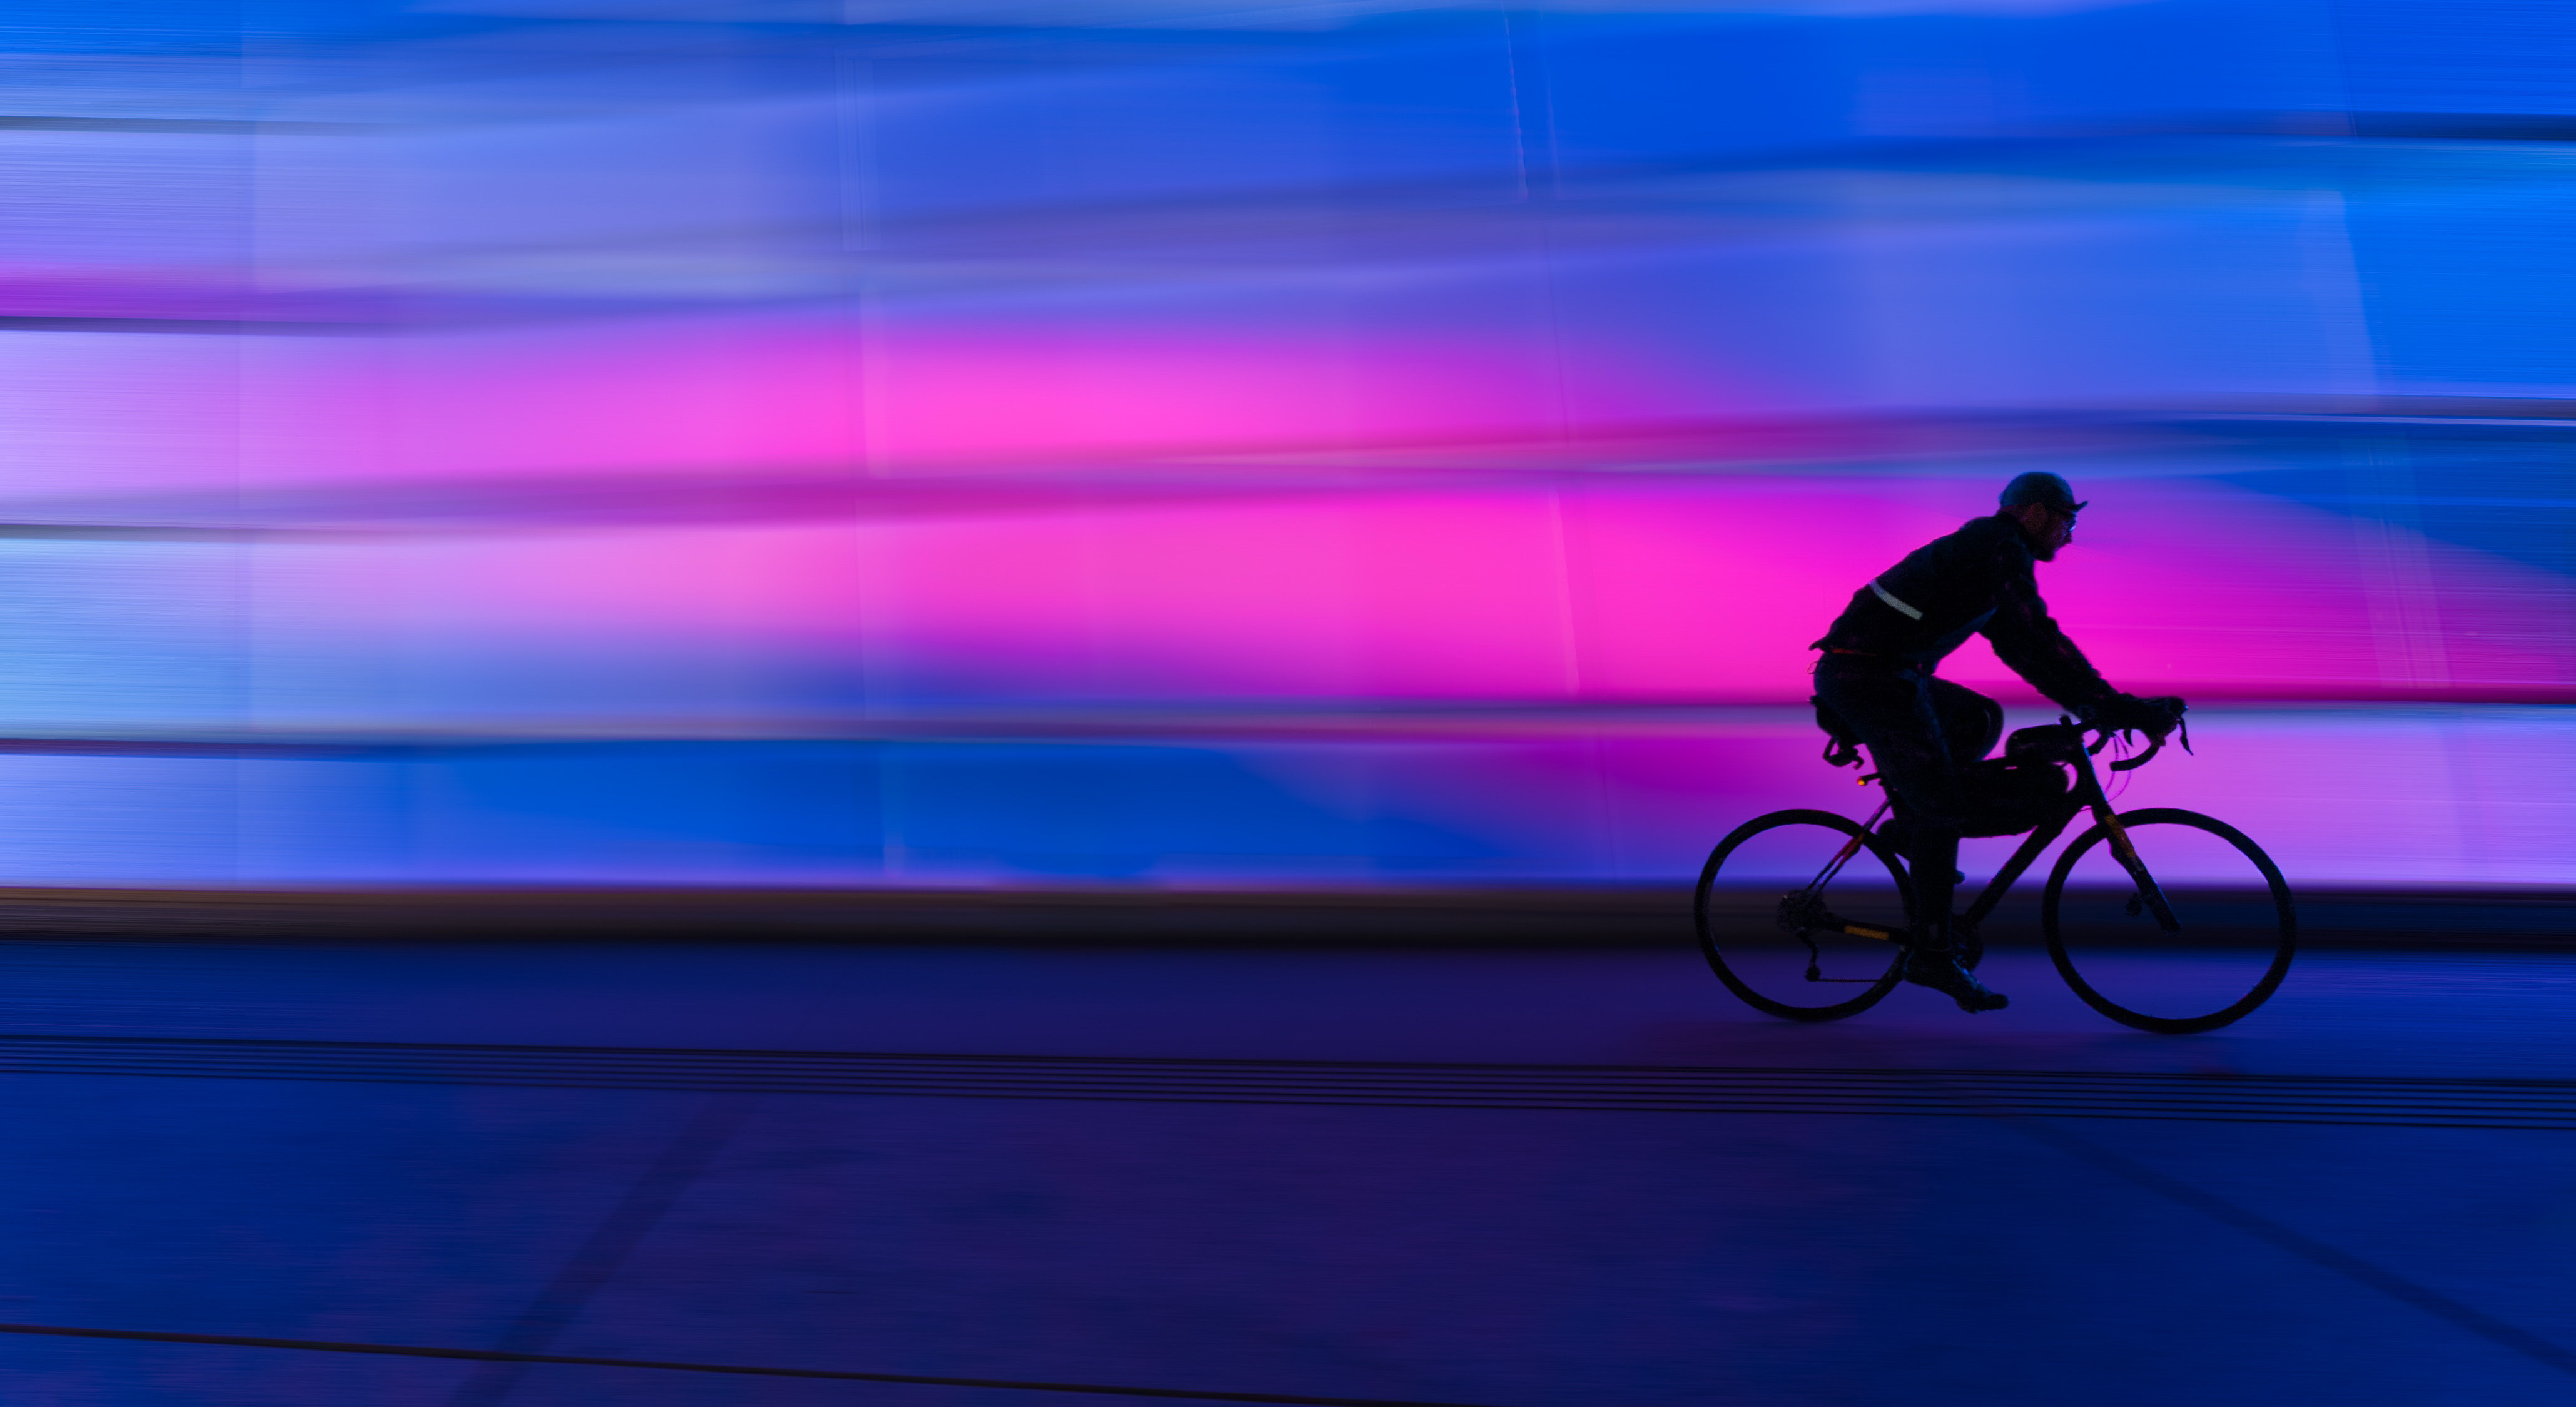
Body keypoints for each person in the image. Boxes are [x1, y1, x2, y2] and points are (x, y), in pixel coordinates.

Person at [1810, 471, 2183, 1013]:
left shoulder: (1989, 551)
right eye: (2066, 520)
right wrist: (2111, 707)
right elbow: (2034, 637)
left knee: (1979, 719)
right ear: (2034, 513)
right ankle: (1932, 953)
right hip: (1869, 679)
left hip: (1885, 673)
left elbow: (2020, 643)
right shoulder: (1998, 547)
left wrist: (2101, 703)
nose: (2069, 534)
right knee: (1941, 808)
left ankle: (1911, 824)